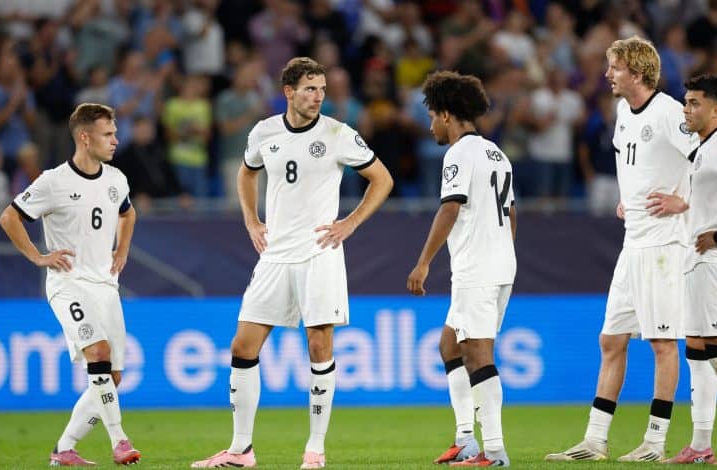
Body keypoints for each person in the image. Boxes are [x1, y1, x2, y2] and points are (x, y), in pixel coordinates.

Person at [191, 57, 393, 469]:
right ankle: (240, 450)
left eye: (321, 89)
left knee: (318, 346)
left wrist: (350, 222)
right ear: (289, 92)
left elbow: (382, 178)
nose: (318, 96)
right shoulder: (264, 131)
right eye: (309, 89)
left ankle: (315, 450)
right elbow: (247, 174)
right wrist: (251, 219)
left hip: (319, 252)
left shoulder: (338, 133)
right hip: (276, 254)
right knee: (242, 346)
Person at [545, 36, 697, 462]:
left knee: (663, 343)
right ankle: (595, 440)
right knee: (611, 340)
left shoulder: (669, 112)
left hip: (665, 243)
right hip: (634, 242)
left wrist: (683, 200)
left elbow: (704, 159)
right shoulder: (620, 111)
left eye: (614, 67)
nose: (607, 74)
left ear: (637, 71)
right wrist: (628, 197)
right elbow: (634, 163)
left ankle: (654, 440)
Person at [0, 103, 140, 466]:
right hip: (68, 283)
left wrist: (121, 249)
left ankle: (64, 449)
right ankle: (120, 440)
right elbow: (9, 216)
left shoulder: (115, 179)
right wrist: (38, 256)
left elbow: (128, 212)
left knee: (114, 375)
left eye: (114, 133)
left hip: (105, 284)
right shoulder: (53, 181)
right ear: (84, 136)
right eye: (108, 134)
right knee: (98, 353)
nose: (115, 140)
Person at [646, 75, 717, 465]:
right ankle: (700, 443)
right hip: (701, 262)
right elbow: (712, 197)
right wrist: (686, 206)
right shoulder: (703, 148)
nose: (686, 109)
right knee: (697, 352)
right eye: (685, 101)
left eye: (694, 103)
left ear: (715, 109)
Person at [407, 70, 516, 467]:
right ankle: (466, 439)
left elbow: (450, 207)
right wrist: (503, 253)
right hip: (499, 263)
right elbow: (511, 212)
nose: (432, 124)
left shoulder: (459, 153)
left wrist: (423, 263)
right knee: (450, 345)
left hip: (478, 267)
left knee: (477, 353)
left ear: (448, 114)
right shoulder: (495, 153)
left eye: (433, 115)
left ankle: (496, 451)